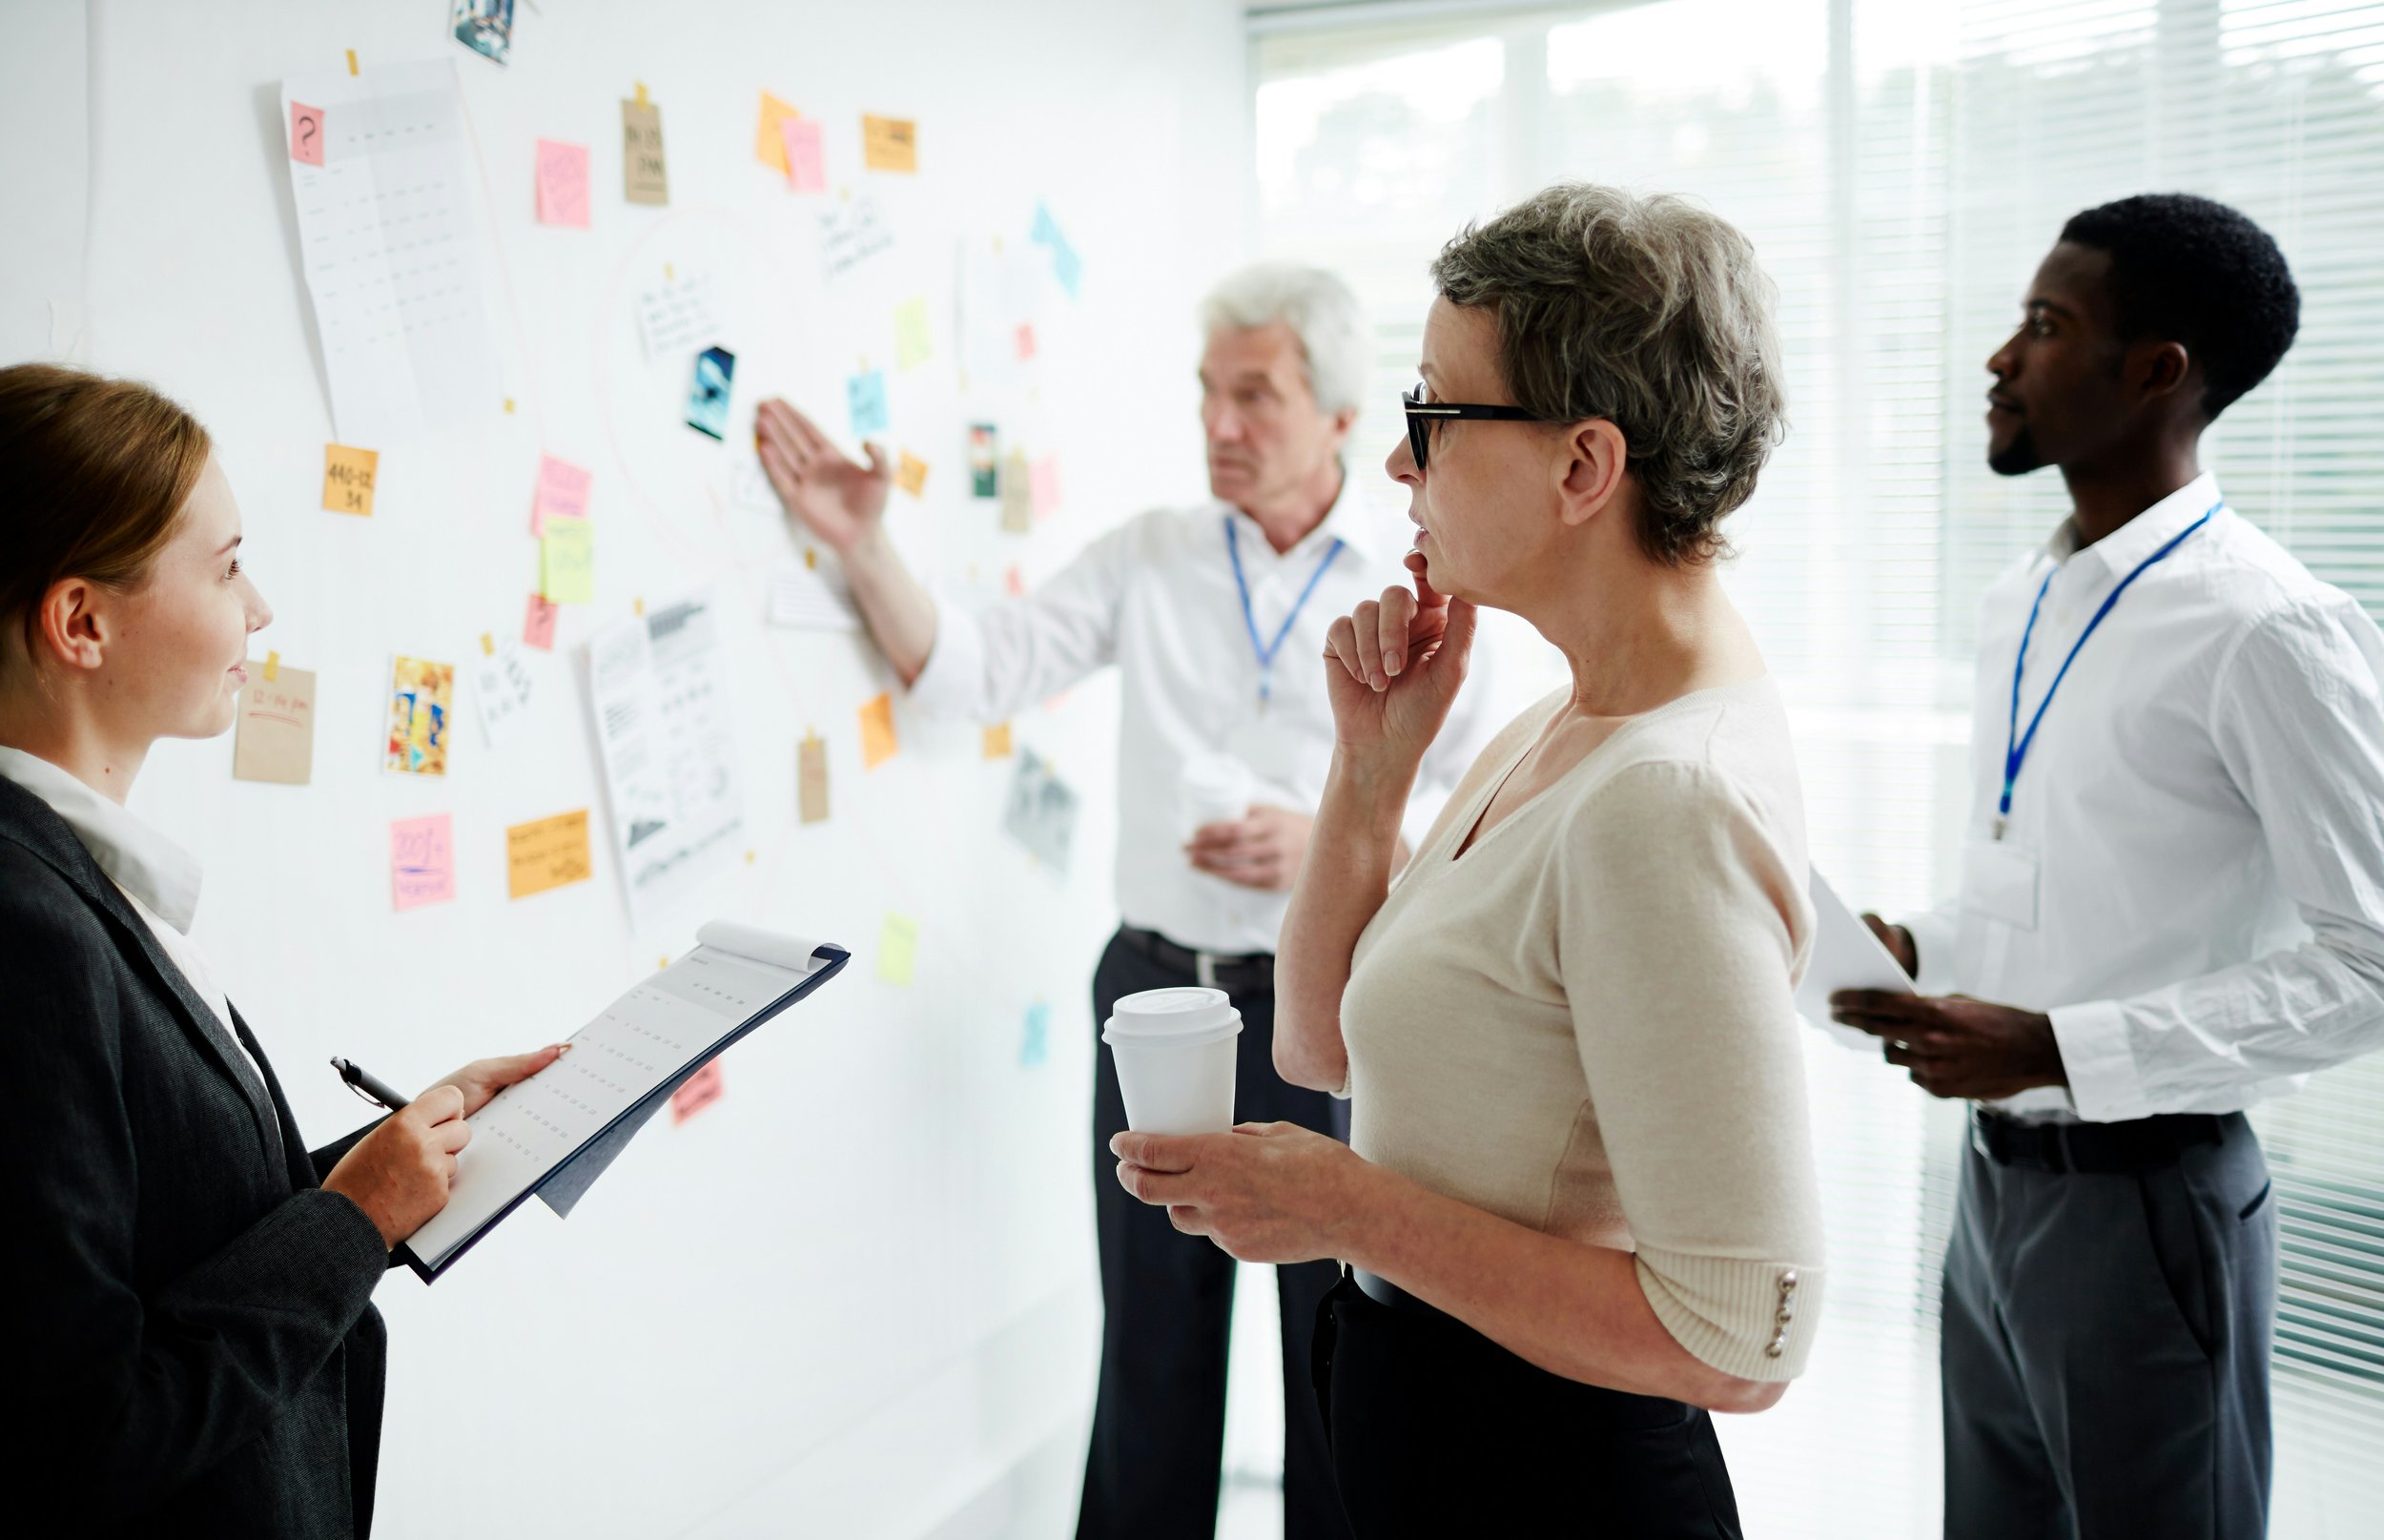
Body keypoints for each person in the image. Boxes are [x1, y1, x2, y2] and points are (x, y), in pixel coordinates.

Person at [1111, 183, 1826, 1536]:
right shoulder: (1563, 711)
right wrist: (1368, 773)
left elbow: (1738, 1339)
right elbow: (1321, 1046)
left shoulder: (1661, 794)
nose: (1398, 463)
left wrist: (1347, 1206)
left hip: (1548, 1475)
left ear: (1582, 466)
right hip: (1444, 1430)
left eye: (1432, 415)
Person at [756, 264, 1494, 1540]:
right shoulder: (1153, 551)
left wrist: (1339, 838)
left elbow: (1483, 813)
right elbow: (979, 668)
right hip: (1158, 993)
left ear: (1335, 415)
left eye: (1254, 395)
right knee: (1151, 1342)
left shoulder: (1420, 570)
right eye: (1208, 394)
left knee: (1339, 1335)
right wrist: (865, 541)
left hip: (1335, 1005)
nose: (1220, 423)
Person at [1829, 194, 2384, 1539]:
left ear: (2156, 373)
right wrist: (1915, 950)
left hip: (2154, 1207)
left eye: (2044, 325)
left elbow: (2370, 962)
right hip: (1992, 1194)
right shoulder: (2027, 595)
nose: (2000, 359)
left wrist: (2059, 1045)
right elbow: (2046, 892)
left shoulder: (2272, 626)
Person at [0, 363, 565, 1535]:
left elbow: (164, 1232)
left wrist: (398, 1149)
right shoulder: (24, 924)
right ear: (81, 623)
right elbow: (83, 1433)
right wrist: (353, 1220)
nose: (260, 607)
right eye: (226, 566)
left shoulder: (75, 874)